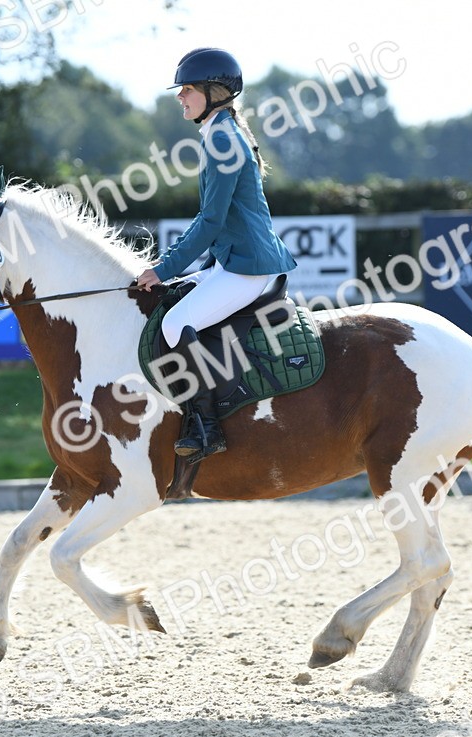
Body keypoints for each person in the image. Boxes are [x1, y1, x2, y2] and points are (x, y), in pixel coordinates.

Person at [136, 47, 296, 460]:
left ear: (215, 92)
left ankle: (205, 426)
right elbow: (214, 220)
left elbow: (209, 221)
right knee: (174, 302)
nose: (180, 97)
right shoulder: (219, 132)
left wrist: (163, 267)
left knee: (176, 323)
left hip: (249, 268)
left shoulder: (223, 139)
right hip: (234, 260)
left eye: (187, 89)